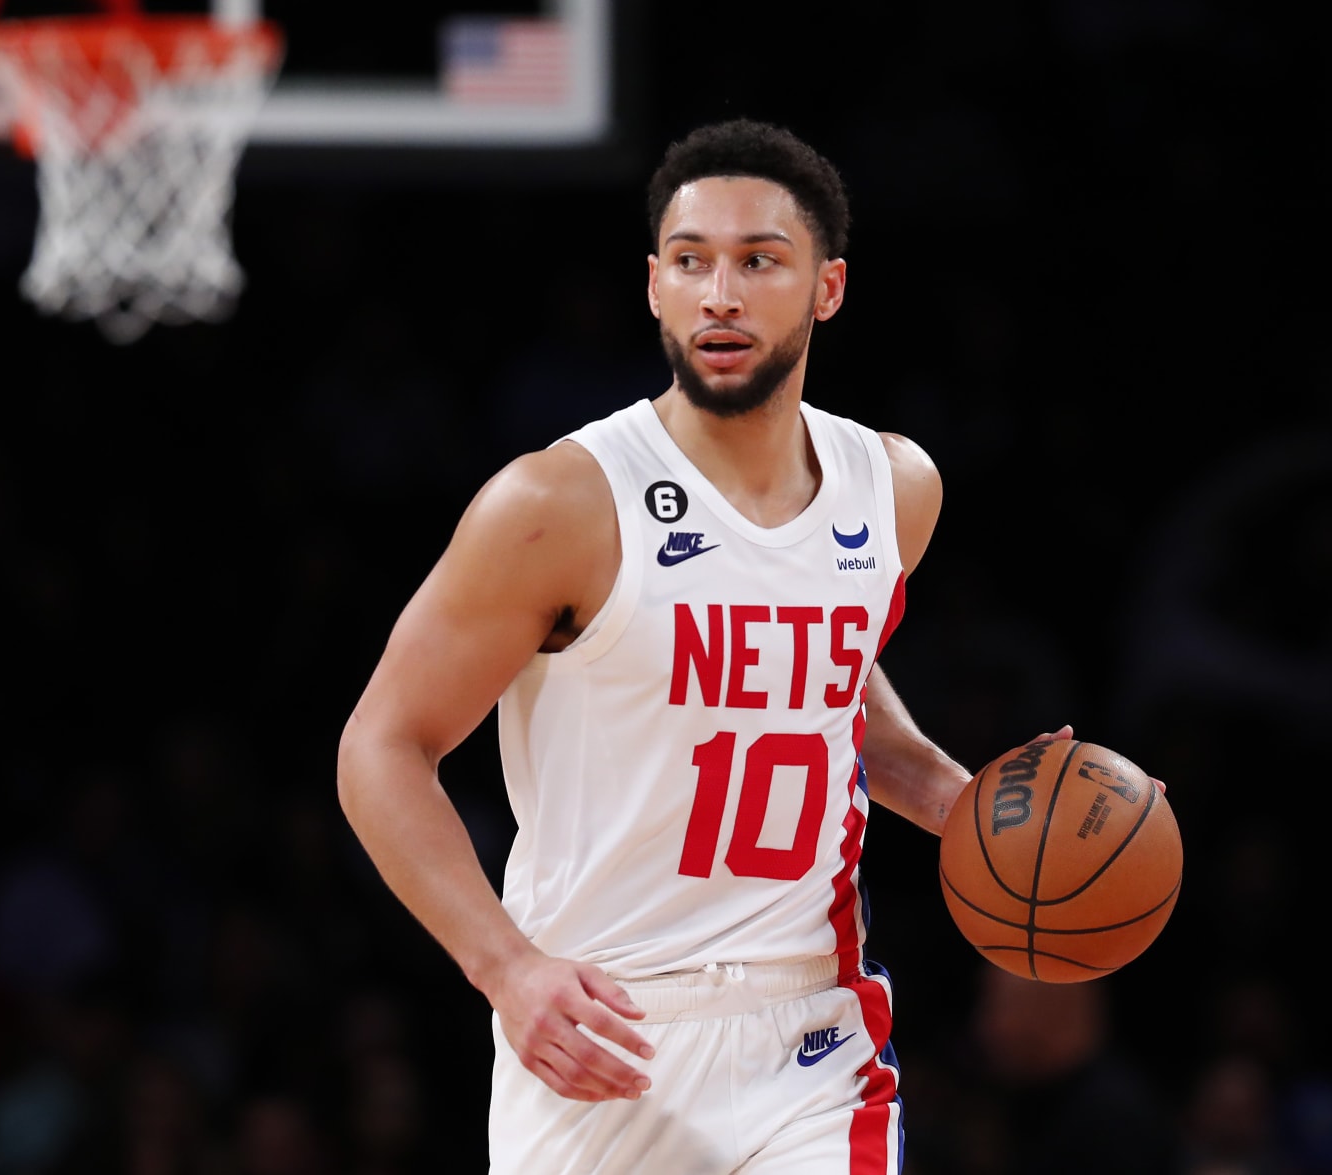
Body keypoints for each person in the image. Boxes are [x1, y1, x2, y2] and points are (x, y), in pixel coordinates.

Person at [336, 118, 1068, 1174]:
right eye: (691, 263)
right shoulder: (558, 502)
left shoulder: (894, 489)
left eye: (759, 261)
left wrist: (955, 798)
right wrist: (504, 967)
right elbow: (380, 745)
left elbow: (828, 677)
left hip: (812, 1029)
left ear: (828, 288)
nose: (719, 293)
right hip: (603, 1026)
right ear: (653, 286)